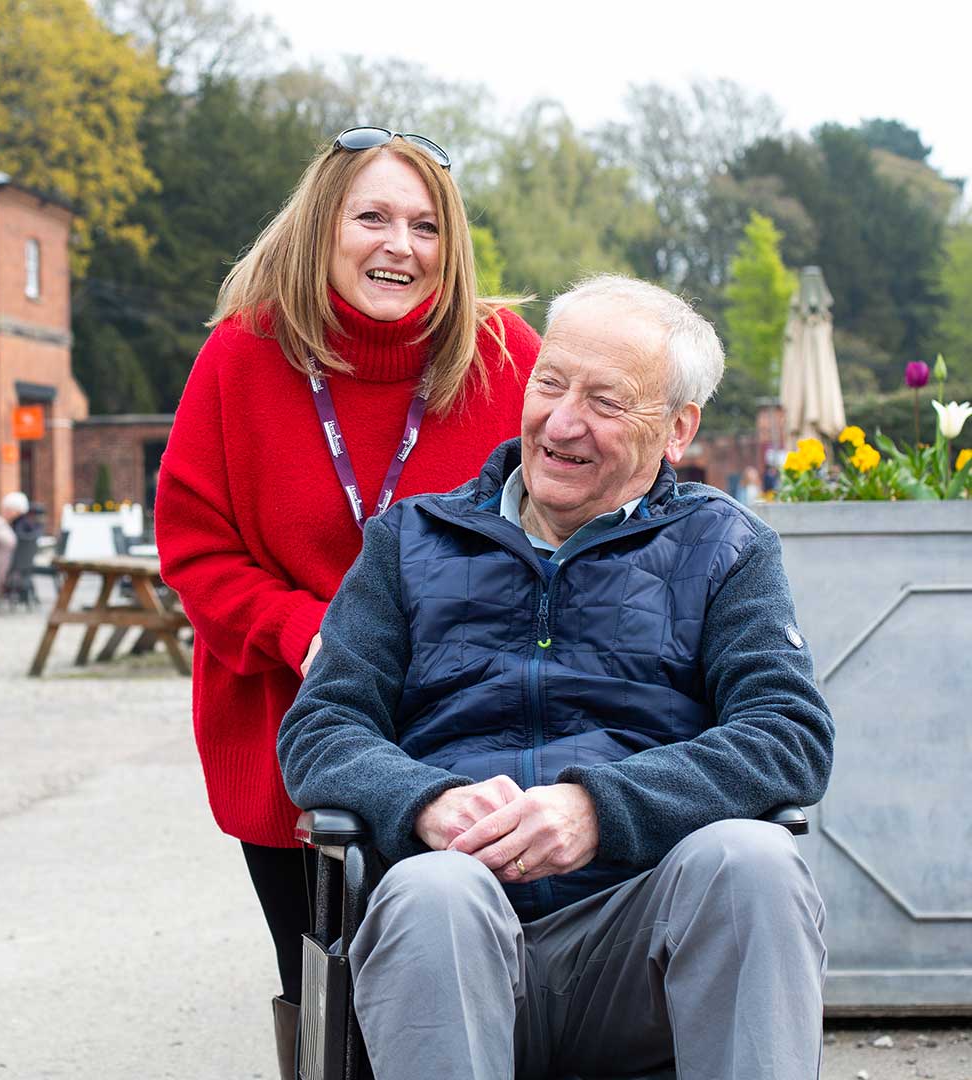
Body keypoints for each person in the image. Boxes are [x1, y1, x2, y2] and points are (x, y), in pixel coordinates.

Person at [279, 274, 835, 1080]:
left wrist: (600, 810)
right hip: (453, 939)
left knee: (754, 861)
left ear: (677, 429)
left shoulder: (727, 548)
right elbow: (320, 727)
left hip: (641, 943)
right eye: (550, 382)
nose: (562, 421)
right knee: (434, 892)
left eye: (606, 403)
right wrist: (423, 801)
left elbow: (789, 736)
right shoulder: (410, 541)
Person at [153, 127, 541, 1077]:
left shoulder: (505, 354)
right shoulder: (242, 356)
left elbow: (567, 512)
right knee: (327, 994)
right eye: (371, 217)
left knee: (455, 985)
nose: (398, 246)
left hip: (464, 728)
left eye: (424, 226)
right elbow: (195, 548)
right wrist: (305, 630)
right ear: (322, 226)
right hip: (291, 724)